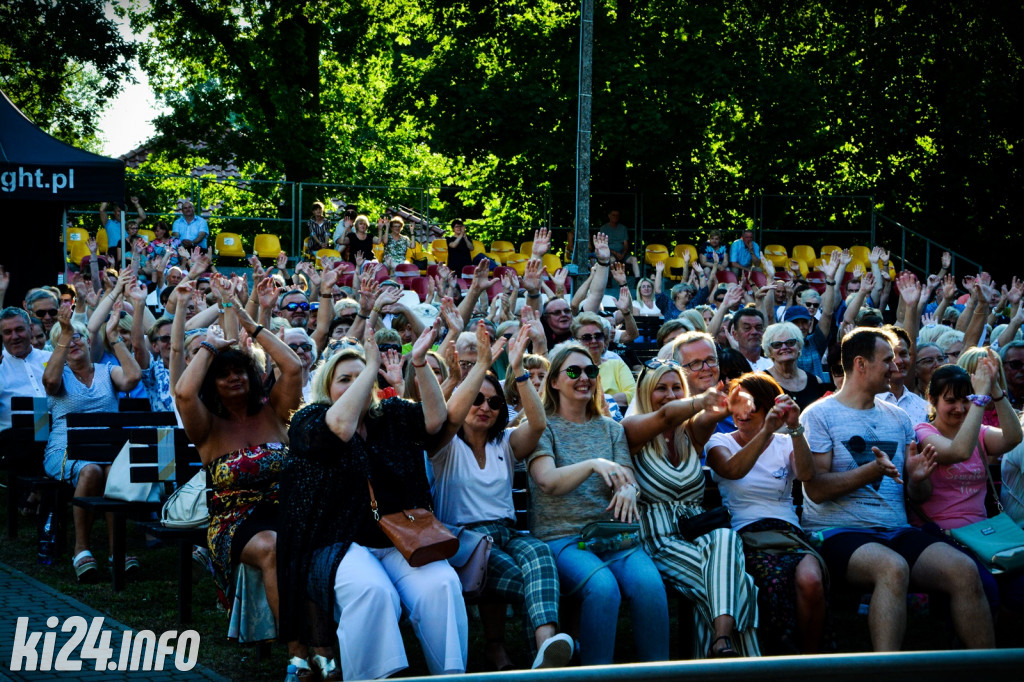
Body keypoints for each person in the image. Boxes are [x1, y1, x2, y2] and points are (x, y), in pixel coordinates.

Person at [278, 320, 468, 680]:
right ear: (327, 388)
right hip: (334, 542)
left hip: (398, 537)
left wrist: (422, 362)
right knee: (373, 592)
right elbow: (341, 428)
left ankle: (451, 676)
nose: (355, 383)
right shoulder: (309, 419)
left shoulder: (390, 415)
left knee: (441, 584)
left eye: (361, 375)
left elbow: (434, 420)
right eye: (345, 379)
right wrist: (368, 368)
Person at [800, 327, 995, 651]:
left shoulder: (900, 417)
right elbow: (816, 489)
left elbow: (917, 495)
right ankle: (885, 670)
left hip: (896, 530)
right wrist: (871, 471)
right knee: (892, 568)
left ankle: (989, 670)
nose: (896, 367)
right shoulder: (819, 415)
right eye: (887, 360)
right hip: (837, 532)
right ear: (861, 364)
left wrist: (918, 479)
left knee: (964, 570)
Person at [174, 293, 309, 676]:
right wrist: (208, 347)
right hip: (236, 520)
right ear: (212, 384)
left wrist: (252, 327)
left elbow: (294, 367)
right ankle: (298, 655)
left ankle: (332, 642)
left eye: (240, 372)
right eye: (222, 374)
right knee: (272, 547)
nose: (233, 377)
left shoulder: (275, 412)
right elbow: (184, 392)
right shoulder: (207, 427)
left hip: (289, 509)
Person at [431, 325, 574, 669]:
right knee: (531, 582)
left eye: (494, 402)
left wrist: (519, 372)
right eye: (476, 399)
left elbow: (538, 425)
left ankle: (544, 649)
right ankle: (544, 651)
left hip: (507, 533)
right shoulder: (444, 446)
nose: (485, 407)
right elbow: (451, 415)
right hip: (465, 541)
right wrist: (481, 366)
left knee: (539, 553)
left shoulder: (505, 443)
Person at [527, 342, 669, 665]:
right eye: (574, 371)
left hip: (611, 536)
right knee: (603, 588)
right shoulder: (542, 427)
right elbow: (547, 480)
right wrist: (593, 463)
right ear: (554, 381)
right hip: (564, 538)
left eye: (591, 371)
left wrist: (630, 491)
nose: (584, 378)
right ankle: (595, 673)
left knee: (649, 586)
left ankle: (658, 671)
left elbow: (627, 477)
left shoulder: (611, 429)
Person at [621, 359, 760, 658]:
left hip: (700, 535)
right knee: (740, 584)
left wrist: (729, 404)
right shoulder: (632, 428)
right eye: (661, 388)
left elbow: (710, 416)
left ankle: (718, 646)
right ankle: (738, 658)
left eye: (676, 388)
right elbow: (666, 416)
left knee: (727, 539)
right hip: (658, 540)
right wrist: (699, 399)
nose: (670, 395)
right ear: (645, 391)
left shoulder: (690, 434)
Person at [705, 373, 829, 654]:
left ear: (768, 407)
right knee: (772, 585)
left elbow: (808, 475)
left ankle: (813, 660)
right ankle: (777, 657)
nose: (743, 414)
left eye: (752, 407)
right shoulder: (719, 443)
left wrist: (794, 426)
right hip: (745, 534)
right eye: (736, 405)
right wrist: (766, 431)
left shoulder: (785, 444)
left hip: (787, 533)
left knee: (811, 580)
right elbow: (734, 470)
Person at [42, 301, 142, 582]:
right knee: (92, 470)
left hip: (107, 450)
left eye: (76, 336)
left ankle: (116, 551)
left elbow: (133, 377)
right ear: (57, 347)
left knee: (111, 472)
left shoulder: (105, 371)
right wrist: (63, 333)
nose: (72, 341)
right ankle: (81, 549)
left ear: (87, 341)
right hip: (66, 450)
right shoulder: (58, 375)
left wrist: (113, 338)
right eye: (64, 338)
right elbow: (49, 384)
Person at [913, 360, 1023, 612]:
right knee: (986, 587)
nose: (961, 408)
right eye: (951, 400)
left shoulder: (980, 432)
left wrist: (994, 390)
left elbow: (1014, 437)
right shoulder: (922, 432)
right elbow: (959, 451)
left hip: (984, 536)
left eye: (966, 399)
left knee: (1019, 589)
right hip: (942, 538)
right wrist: (979, 400)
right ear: (932, 399)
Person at [572, 312, 635, 413]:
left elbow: (632, 395)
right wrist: (614, 399)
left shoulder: (617, 365)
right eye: (587, 337)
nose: (594, 341)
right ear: (576, 341)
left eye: (598, 336)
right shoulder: (571, 368)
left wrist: (594, 401)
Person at [0, 307, 52, 431]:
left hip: (55, 438)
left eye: (19, 329)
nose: (14, 336)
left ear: (31, 329)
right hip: (12, 442)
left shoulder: (50, 359)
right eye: (7, 332)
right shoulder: (1, 364)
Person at [762, 322, 827, 410]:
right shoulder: (761, 383)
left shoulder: (815, 382)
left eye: (790, 342)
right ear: (769, 351)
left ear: (799, 346)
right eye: (777, 345)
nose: (784, 347)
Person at [596, 209, 639, 278]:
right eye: (613, 215)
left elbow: (626, 244)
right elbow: (602, 246)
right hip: (609, 253)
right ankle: (608, 280)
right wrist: (615, 253)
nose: (615, 217)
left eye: (617, 215)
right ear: (609, 216)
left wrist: (623, 254)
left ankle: (637, 281)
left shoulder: (623, 228)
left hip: (622, 254)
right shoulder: (603, 228)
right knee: (612, 260)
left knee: (634, 259)